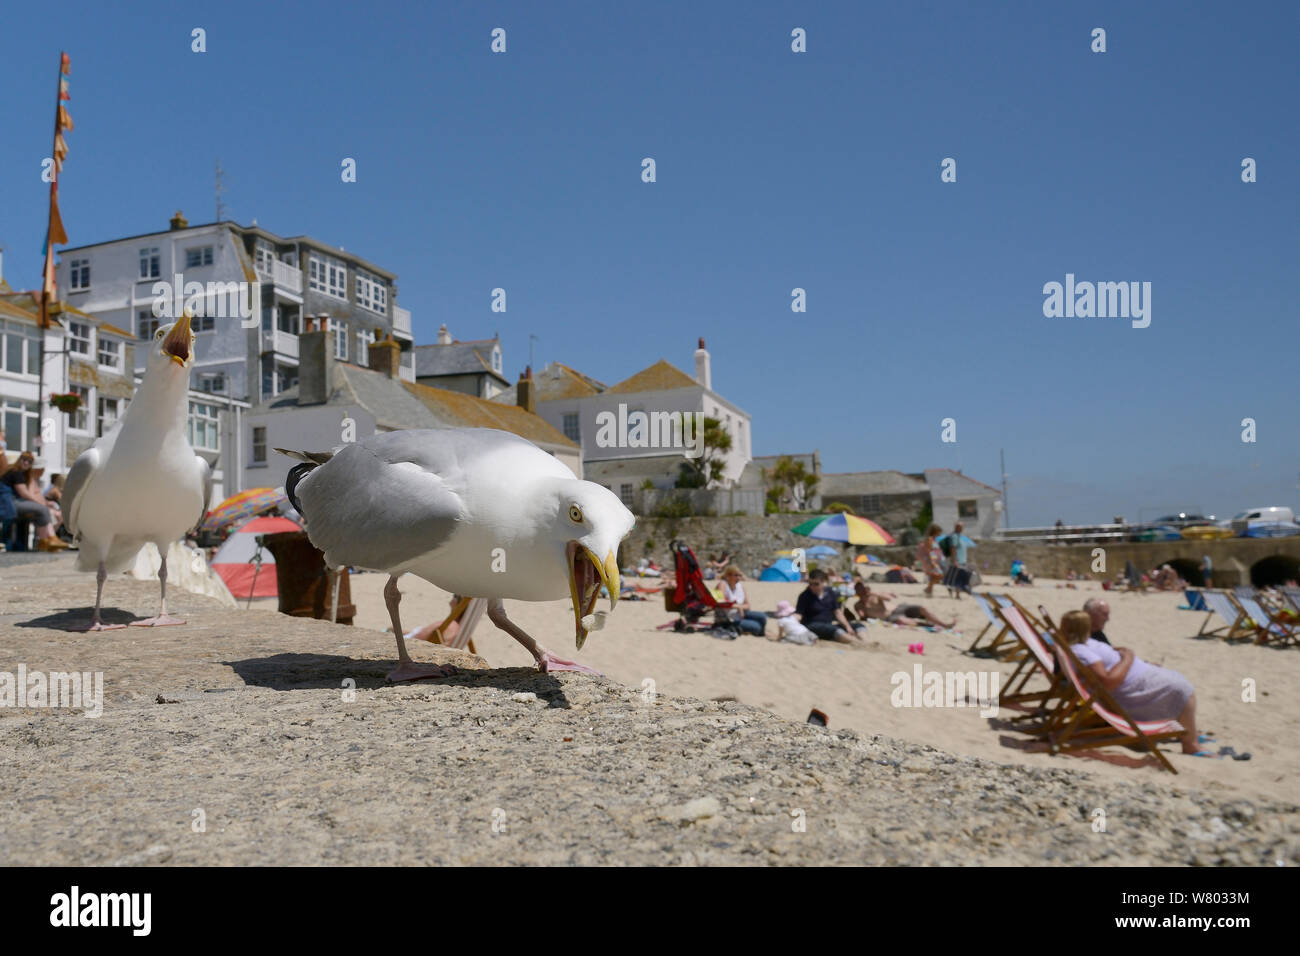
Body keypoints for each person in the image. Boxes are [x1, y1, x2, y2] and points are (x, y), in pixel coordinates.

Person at [1058, 609, 1207, 756]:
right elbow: (1108, 683)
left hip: (1134, 682)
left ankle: (1189, 732)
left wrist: (1121, 654)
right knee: (1181, 688)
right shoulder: (1080, 652)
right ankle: (1191, 745)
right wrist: (1128, 657)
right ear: (1085, 627)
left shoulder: (1080, 646)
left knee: (1176, 679)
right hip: (1129, 694)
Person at [1, 452, 68, 551]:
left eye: (29, 461)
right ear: (19, 460)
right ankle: (48, 539)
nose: (26, 463)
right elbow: (24, 493)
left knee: (42, 511)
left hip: (10, 503)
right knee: (42, 510)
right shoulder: (16, 472)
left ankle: (46, 541)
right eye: (24, 460)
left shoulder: (19, 473)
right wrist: (40, 503)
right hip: (8, 504)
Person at [794, 569, 863, 643]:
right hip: (811, 625)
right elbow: (798, 614)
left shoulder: (830, 593)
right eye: (810, 583)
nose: (812, 586)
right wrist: (791, 624)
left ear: (823, 582)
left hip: (828, 624)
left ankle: (864, 641)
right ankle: (858, 643)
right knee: (836, 630)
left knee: (858, 626)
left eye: (816, 584)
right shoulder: (804, 596)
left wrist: (847, 626)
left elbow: (837, 612)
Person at [854, 581, 955, 629]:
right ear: (857, 593)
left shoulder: (875, 595)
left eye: (863, 589)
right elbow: (862, 616)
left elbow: (888, 598)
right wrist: (863, 607)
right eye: (860, 590)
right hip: (890, 617)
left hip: (898, 608)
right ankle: (931, 624)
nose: (863, 591)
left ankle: (944, 624)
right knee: (904, 621)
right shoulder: (858, 605)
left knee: (922, 608)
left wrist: (876, 594)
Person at [719, 565, 767, 637]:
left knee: (762, 617)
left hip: (741, 613)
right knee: (756, 626)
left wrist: (740, 607)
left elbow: (747, 605)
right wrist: (738, 607)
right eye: (736, 575)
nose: (738, 578)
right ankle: (756, 632)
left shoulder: (740, 586)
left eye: (740, 575)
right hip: (729, 618)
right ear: (728, 576)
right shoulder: (723, 584)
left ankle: (761, 635)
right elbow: (720, 602)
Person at [916, 523, 944, 597]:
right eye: (939, 532)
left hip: (933, 560)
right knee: (940, 574)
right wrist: (933, 561)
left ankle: (929, 589)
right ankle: (928, 588)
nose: (940, 533)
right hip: (930, 560)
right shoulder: (929, 539)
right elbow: (929, 551)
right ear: (935, 531)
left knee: (934, 575)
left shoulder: (934, 540)